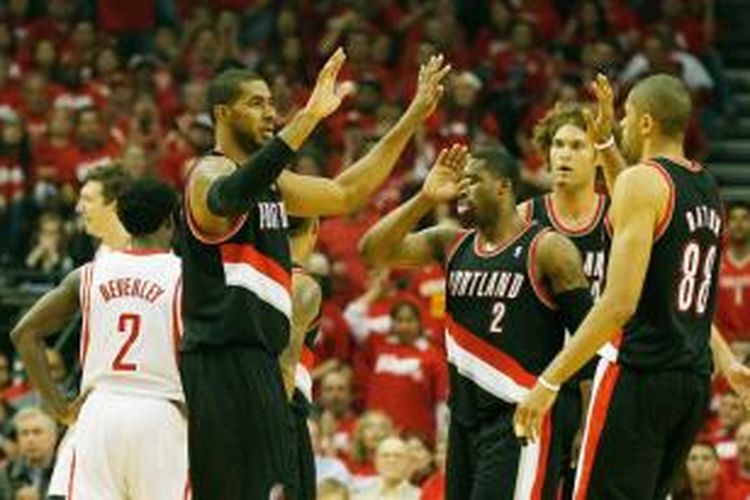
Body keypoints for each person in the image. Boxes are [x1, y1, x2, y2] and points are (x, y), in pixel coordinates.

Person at [179, 47, 449, 498]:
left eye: (271, 103)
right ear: (222, 113)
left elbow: (345, 194)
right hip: (220, 359)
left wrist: (411, 118)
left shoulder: (270, 184)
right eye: (256, 104)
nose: (270, 113)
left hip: (260, 360)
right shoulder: (207, 173)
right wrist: (307, 119)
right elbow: (227, 198)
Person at [513, 74, 730, 498]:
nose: (621, 126)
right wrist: (604, 146)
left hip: (639, 374)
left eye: (626, 117)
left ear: (646, 123)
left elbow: (618, 304)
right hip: (690, 382)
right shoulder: (705, 186)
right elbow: (638, 206)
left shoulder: (642, 182)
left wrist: (549, 382)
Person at [359, 145, 594, 499]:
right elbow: (372, 251)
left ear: (503, 187)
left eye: (472, 180)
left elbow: (590, 340)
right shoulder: (450, 243)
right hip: (465, 421)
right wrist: (424, 197)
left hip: (520, 417)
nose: (461, 188)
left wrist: (583, 427)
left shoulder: (548, 249)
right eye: (460, 181)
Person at [11, 178, 187, 499]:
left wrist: (59, 408)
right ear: (171, 220)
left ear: (121, 219)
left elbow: (25, 332)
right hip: (160, 411)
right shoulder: (187, 277)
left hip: (99, 411)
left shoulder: (89, 273)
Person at [278, 216, 323, 500]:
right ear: (314, 228)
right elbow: (286, 363)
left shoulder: (239, 275)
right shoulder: (302, 284)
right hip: (283, 410)